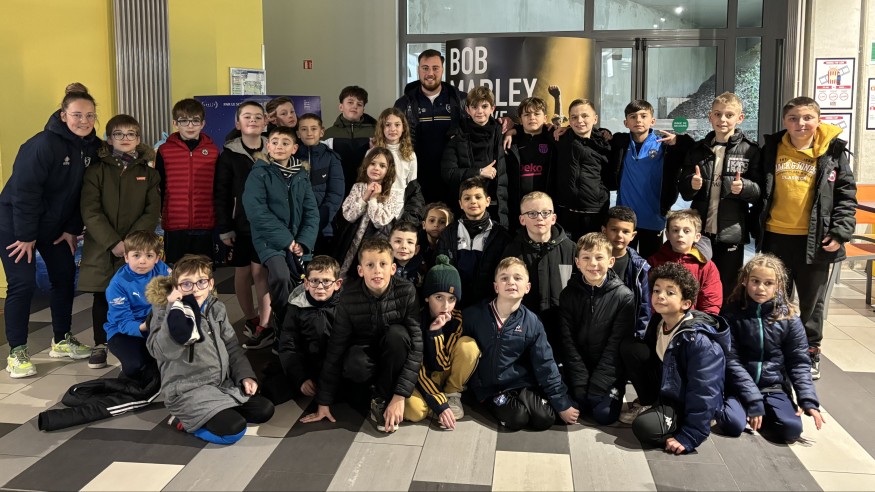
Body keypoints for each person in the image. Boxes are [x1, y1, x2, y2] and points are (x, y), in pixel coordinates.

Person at [1, 86, 101, 378]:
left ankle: (61, 340)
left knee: (64, 276)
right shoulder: (42, 144)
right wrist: (26, 236)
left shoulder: (92, 147)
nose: (84, 121)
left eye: (90, 115)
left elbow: (83, 193)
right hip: (16, 224)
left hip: (54, 226)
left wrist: (71, 229)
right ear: (63, 114)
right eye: (77, 114)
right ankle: (17, 351)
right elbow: (25, 193)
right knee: (22, 283)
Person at [757, 96, 857, 380]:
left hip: (816, 239)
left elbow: (846, 195)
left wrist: (840, 232)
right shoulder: (772, 148)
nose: (800, 123)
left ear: (818, 119)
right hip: (776, 236)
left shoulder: (833, 151)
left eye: (807, 118)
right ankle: (776, 349)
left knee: (812, 301)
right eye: (793, 118)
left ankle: (810, 351)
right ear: (784, 121)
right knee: (775, 298)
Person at [146, 254, 275, 445]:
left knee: (264, 410)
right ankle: (184, 421)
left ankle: (218, 410)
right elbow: (160, 351)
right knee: (233, 431)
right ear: (176, 287)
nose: (195, 289)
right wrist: (174, 311)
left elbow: (232, 347)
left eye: (201, 282)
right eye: (187, 284)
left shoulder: (216, 308)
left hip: (221, 384)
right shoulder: (165, 311)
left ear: (211, 283)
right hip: (188, 391)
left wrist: (245, 376)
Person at [300, 238, 422, 433]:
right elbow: (336, 347)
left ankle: (383, 397)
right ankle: (371, 394)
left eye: (383, 264)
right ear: (360, 270)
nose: (377, 270)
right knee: (353, 362)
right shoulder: (348, 297)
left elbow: (416, 345)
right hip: (365, 354)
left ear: (393, 268)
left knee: (398, 335)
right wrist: (323, 402)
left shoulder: (406, 291)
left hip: (394, 355)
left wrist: (400, 395)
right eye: (370, 265)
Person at [78, 114, 160, 370]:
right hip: (102, 246)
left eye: (131, 134)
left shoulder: (149, 174)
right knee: (102, 295)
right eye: (119, 134)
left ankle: (136, 339)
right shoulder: (96, 171)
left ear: (138, 138)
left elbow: (152, 210)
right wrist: (113, 242)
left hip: (137, 248)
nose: (125, 139)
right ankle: (100, 344)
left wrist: (131, 244)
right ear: (109, 139)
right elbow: (90, 210)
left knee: (139, 293)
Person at [716, 254, 824, 442]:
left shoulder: (789, 318)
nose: (760, 288)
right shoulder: (731, 314)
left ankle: (760, 412)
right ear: (744, 281)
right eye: (755, 281)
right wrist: (752, 398)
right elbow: (731, 360)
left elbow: (798, 362)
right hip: (739, 386)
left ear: (779, 286)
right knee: (731, 424)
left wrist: (808, 400)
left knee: (791, 430)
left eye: (768, 283)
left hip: (773, 387)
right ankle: (748, 408)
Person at [463, 257, 579, 431]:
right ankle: (497, 402)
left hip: (519, 383)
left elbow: (545, 363)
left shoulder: (532, 322)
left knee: (545, 418)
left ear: (527, 287)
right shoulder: (474, 315)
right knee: (518, 418)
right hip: (489, 389)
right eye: (504, 278)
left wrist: (561, 403)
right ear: (496, 287)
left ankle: (525, 397)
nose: (511, 282)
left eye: (517, 278)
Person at [627, 262, 729, 454]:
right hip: (669, 390)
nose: (660, 296)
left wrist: (690, 435)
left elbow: (704, 390)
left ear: (686, 304)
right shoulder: (659, 321)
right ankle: (652, 404)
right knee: (631, 348)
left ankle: (688, 422)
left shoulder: (699, 340)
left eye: (670, 292)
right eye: (656, 290)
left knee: (643, 428)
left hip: (687, 401)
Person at [678, 92, 762, 302]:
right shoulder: (698, 149)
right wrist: (691, 184)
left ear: (739, 118)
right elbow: (684, 190)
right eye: (717, 114)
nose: (722, 119)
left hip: (731, 232)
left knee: (727, 287)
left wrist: (744, 187)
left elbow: (760, 192)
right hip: (699, 232)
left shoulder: (750, 150)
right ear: (710, 117)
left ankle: (722, 322)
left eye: (729, 115)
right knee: (695, 283)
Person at [242, 126, 319, 346]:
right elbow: (257, 211)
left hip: (298, 241)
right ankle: (283, 329)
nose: (279, 147)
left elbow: (311, 212)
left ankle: (301, 328)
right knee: (280, 276)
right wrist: (288, 241)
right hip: (270, 240)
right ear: (268, 146)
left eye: (285, 143)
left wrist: (303, 242)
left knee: (302, 281)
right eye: (275, 142)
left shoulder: (301, 174)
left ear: (294, 148)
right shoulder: (259, 172)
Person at [558, 233, 634, 425]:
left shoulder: (624, 297)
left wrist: (599, 383)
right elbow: (567, 341)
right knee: (578, 407)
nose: (593, 263)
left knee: (604, 415)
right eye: (586, 258)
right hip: (580, 367)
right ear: (577, 262)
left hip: (609, 369)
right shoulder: (568, 294)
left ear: (611, 261)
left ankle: (606, 391)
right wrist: (580, 381)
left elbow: (615, 346)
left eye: (599, 257)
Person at [214, 101, 272, 341]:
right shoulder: (228, 155)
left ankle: (265, 324)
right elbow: (222, 194)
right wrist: (225, 228)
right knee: (243, 271)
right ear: (238, 123)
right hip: (241, 224)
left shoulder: (274, 148)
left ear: (265, 122)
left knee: (261, 273)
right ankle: (251, 318)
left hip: (268, 224)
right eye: (247, 116)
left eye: (258, 116)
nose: (253, 120)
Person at [609, 99, 694, 259]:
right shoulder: (620, 143)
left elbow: (694, 149)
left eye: (643, 116)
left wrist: (679, 140)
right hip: (625, 220)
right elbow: (595, 137)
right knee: (623, 264)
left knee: (651, 265)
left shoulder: (663, 145)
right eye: (633, 117)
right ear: (626, 123)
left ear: (652, 121)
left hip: (653, 218)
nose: (638, 120)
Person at [405, 255, 480, 430]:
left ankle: (452, 393)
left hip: (442, 373)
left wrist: (436, 333)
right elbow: (417, 369)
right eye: (439, 297)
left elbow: (442, 364)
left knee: (469, 346)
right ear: (427, 297)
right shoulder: (416, 320)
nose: (446, 306)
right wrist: (440, 404)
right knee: (414, 412)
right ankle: (436, 401)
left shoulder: (456, 319)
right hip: (419, 377)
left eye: (451, 299)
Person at [263, 255, 343, 405]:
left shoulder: (345, 306)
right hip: (307, 364)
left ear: (337, 284)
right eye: (314, 281)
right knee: (272, 391)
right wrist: (301, 379)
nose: (320, 287)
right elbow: (288, 346)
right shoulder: (296, 306)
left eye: (326, 281)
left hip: (336, 365)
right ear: (306, 283)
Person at [502, 191, 573, 351]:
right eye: (532, 214)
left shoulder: (571, 249)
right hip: (524, 329)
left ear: (553, 218)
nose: (539, 218)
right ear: (522, 219)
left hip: (562, 330)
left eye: (545, 213)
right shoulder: (512, 251)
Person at [395, 49, 466, 204]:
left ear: (442, 70)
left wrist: (510, 126)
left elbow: (482, 125)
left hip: (453, 179)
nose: (430, 73)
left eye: (435, 68)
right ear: (418, 69)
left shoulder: (460, 100)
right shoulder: (404, 104)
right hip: (418, 180)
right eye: (425, 68)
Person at [156, 98, 219, 265]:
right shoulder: (165, 150)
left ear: (203, 123)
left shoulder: (212, 150)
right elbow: (159, 185)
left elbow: (217, 186)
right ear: (175, 123)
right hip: (175, 222)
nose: (190, 126)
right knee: (177, 269)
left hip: (204, 221)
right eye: (184, 121)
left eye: (195, 121)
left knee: (203, 269)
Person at [104, 231, 169, 383]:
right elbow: (123, 322)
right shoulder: (117, 284)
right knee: (136, 366)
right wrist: (148, 325)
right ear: (126, 257)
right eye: (136, 255)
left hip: (156, 326)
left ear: (157, 258)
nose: (142, 261)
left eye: (149, 256)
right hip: (123, 332)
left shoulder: (162, 269)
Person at [441, 86, 509, 228]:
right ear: (467, 110)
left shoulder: (502, 131)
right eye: (474, 107)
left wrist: (513, 130)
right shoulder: (456, 134)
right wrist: (479, 172)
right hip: (466, 208)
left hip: (496, 208)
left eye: (484, 106)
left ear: (493, 108)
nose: (479, 111)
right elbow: (448, 173)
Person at [437, 177, 510, 309]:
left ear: (488, 201)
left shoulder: (501, 235)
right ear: (460, 204)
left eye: (478, 197)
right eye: (467, 198)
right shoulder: (448, 233)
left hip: (489, 305)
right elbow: (441, 270)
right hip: (455, 304)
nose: (473, 201)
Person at [337, 147, 404, 278]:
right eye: (372, 163)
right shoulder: (358, 187)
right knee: (345, 274)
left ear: (389, 170)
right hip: (351, 241)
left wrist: (373, 199)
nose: (376, 168)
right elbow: (348, 215)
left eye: (382, 165)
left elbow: (380, 222)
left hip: (375, 243)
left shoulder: (393, 194)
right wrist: (364, 197)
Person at [555, 99, 612, 239]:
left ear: (595, 118)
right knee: (567, 252)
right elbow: (535, 129)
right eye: (574, 117)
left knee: (592, 251)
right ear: (569, 120)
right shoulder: (560, 139)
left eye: (585, 116)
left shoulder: (606, 144)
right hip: (565, 212)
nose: (579, 120)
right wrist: (513, 130)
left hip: (595, 212)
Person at [647, 209, 722, 315]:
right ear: (667, 234)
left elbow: (711, 303)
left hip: (692, 322)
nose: (680, 234)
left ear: (697, 237)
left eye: (686, 231)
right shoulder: (654, 261)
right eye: (675, 230)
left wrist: (701, 323)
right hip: (659, 319)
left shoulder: (707, 266)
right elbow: (647, 295)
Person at [503, 97, 556, 232]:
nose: (532, 117)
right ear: (520, 120)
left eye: (536, 114)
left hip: (545, 209)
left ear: (545, 118)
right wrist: (512, 131)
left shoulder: (554, 139)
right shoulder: (510, 141)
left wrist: (604, 132)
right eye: (527, 114)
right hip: (516, 208)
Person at [294, 113, 344, 254]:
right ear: (298, 133)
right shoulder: (291, 158)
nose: (309, 133)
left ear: (321, 132)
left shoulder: (331, 158)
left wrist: (318, 221)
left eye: (314, 128)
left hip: (323, 227)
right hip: (296, 226)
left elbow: (336, 193)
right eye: (304, 129)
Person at [602, 206, 651, 344]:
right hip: (598, 331)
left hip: (626, 334)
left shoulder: (640, 268)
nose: (619, 235)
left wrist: (638, 338)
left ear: (633, 235)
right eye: (614, 229)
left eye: (625, 231)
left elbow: (644, 306)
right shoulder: (592, 261)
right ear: (604, 231)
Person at [324, 86, 377, 197]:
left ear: (363, 110)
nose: (354, 106)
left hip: (367, 190)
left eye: (359, 104)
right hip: (337, 190)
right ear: (341, 107)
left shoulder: (375, 132)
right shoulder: (328, 134)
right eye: (350, 102)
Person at [373, 107, 418, 197]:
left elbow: (412, 186)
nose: (393, 129)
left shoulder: (410, 155)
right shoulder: (372, 153)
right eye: (388, 125)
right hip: (378, 199)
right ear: (381, 128)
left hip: (401, 202)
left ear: (403, 128)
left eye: (397, 125)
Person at [389, 221, 425, 288]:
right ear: (389, 246)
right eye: (398, 241)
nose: (404, 246)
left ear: (416, 249)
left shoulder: (422, 267)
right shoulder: (384, 264)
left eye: (410, 242)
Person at [419, 202, 453, 269]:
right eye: (432, 220)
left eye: (442, 222)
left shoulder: (452, 247)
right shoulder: (415, 244)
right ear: (424, 225)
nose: (436, 225)